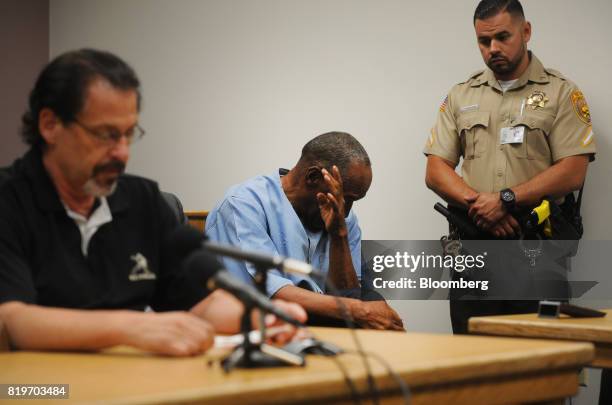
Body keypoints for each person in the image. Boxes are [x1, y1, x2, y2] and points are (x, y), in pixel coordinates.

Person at [0, 49, 306, 357]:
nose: (121, 153)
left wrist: (259, 318)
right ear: (50, 125)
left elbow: (203, 303)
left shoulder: (142, 201)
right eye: (105, 135)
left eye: (128, 134)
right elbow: (11, 321)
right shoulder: (9, 199)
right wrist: (130, 327)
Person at [423, 0, 596, 334]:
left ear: (526, 31)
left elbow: (573, 170)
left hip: (537, 252)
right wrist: (480, 205)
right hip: (474, 250)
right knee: (473, 360)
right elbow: (435, 169)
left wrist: (505, 199)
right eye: (483, 41)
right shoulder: (461, 95)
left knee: (543, 362)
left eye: (503, 37)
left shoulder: (561, 93)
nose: (493, 49)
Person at [206, 132, 404, 330]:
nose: (347, 211)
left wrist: (338, 235)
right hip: (259, 331)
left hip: (326, 333)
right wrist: (356, 310)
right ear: (312, 177)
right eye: (346, 198)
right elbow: (270, 293)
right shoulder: (243, 205)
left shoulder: (343, 217)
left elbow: (349, 295)